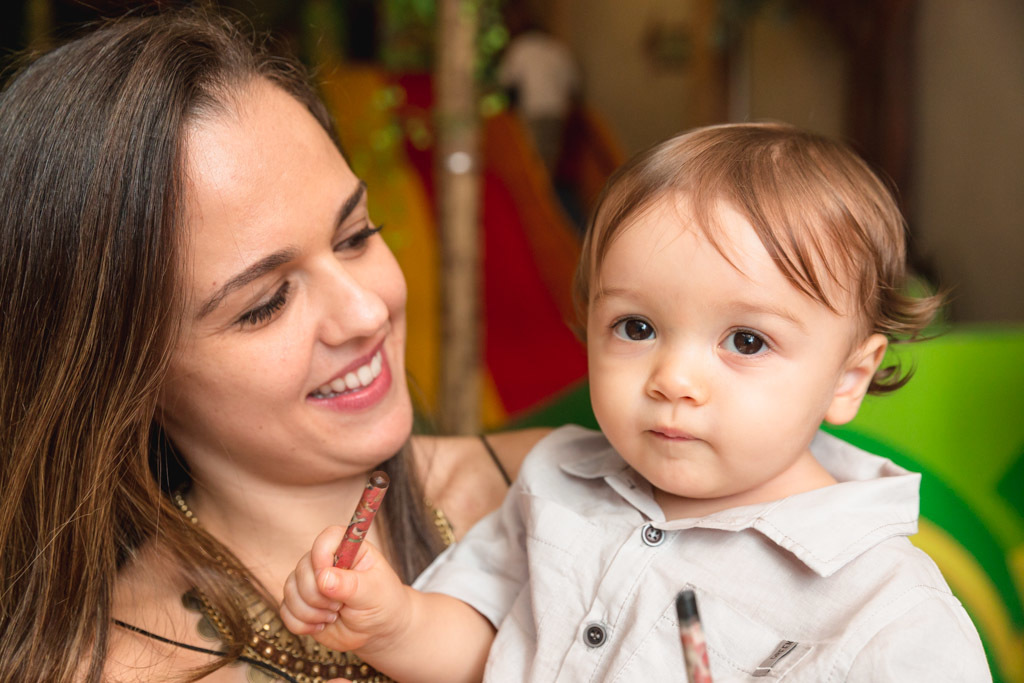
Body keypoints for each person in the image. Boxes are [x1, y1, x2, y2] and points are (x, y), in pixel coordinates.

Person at [281, 123, 992, 681]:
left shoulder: (887, 608)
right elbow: (493, 648)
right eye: (637, 328)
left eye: (746, 341)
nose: (672, 378)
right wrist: (396, 625)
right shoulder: (556, 483)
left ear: (848, 378)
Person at [0, 11, 548, 683]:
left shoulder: (577, 488)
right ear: (129, 375)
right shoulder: (118, 668)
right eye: (267, 302)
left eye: (356, 236)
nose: (365, 311)